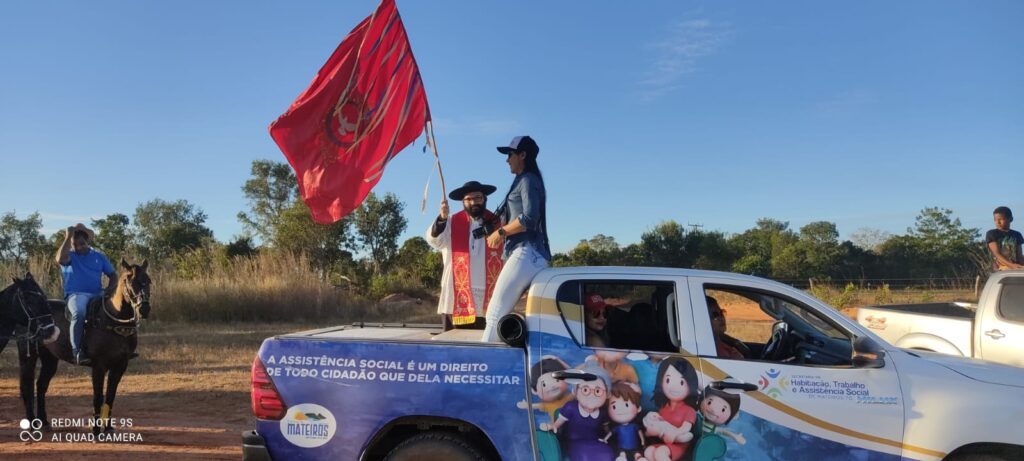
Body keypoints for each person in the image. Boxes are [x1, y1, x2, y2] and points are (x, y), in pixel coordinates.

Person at [481, 135, 552, 342]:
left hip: (527, 251)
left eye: (510, 155)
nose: (507, 160)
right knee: (498, 313)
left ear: (522, 155)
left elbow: (529, 218)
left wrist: (500, 232)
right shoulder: (523, 180)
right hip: (529, 253)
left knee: (495, 312)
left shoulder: (528, 180)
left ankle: (482, 358)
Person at [426, 181, 504, 329]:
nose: (474, 202)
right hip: (455, 297)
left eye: (478, 197)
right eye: (469, 199)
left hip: (489, 297)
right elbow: (435, 241)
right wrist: (442, 218)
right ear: (463, 201)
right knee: (454, 342)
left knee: (486, 341)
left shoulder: (498, 223)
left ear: (485, 199)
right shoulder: (451, 222)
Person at [55, 223, 117, 365]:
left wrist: (109, 290)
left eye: (82, 243)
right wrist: (68, 236)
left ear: (87, 241)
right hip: (76, 295)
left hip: (98, 294)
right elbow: (59, 259)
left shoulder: (99, 257)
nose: (79, 247)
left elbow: (113, 275)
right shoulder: (69, 256)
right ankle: (77, 351)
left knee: (115, 310)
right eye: (75, 245)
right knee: (79, 313)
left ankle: (120, 347)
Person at [986, 206, 1024, 271]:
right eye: (995, 220)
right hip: (999, 269)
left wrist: (1020, 266)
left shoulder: (1017, 234)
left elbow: (1019, 255)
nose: (998, 222)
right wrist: (1011, 265)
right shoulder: (991, 234)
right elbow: (996, 253)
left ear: (1010, 219)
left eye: (1001, 219)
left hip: (1015, 267)